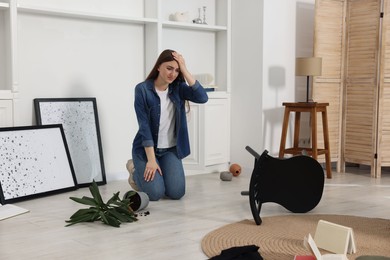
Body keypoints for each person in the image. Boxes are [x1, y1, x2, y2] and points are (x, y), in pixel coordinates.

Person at [127, 49, 208, 201]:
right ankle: (134, 171)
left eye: (177, 70)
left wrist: (184, 68)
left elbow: (202, 97)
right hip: (146, 150)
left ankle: (159, 170)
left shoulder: (178, 88)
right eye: (169, 68)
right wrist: (151, 160)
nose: (173, 73)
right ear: (158, 67)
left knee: (177, 193)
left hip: (170, 149)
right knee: (155, 194)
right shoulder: (142, 89)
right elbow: (144, 126)